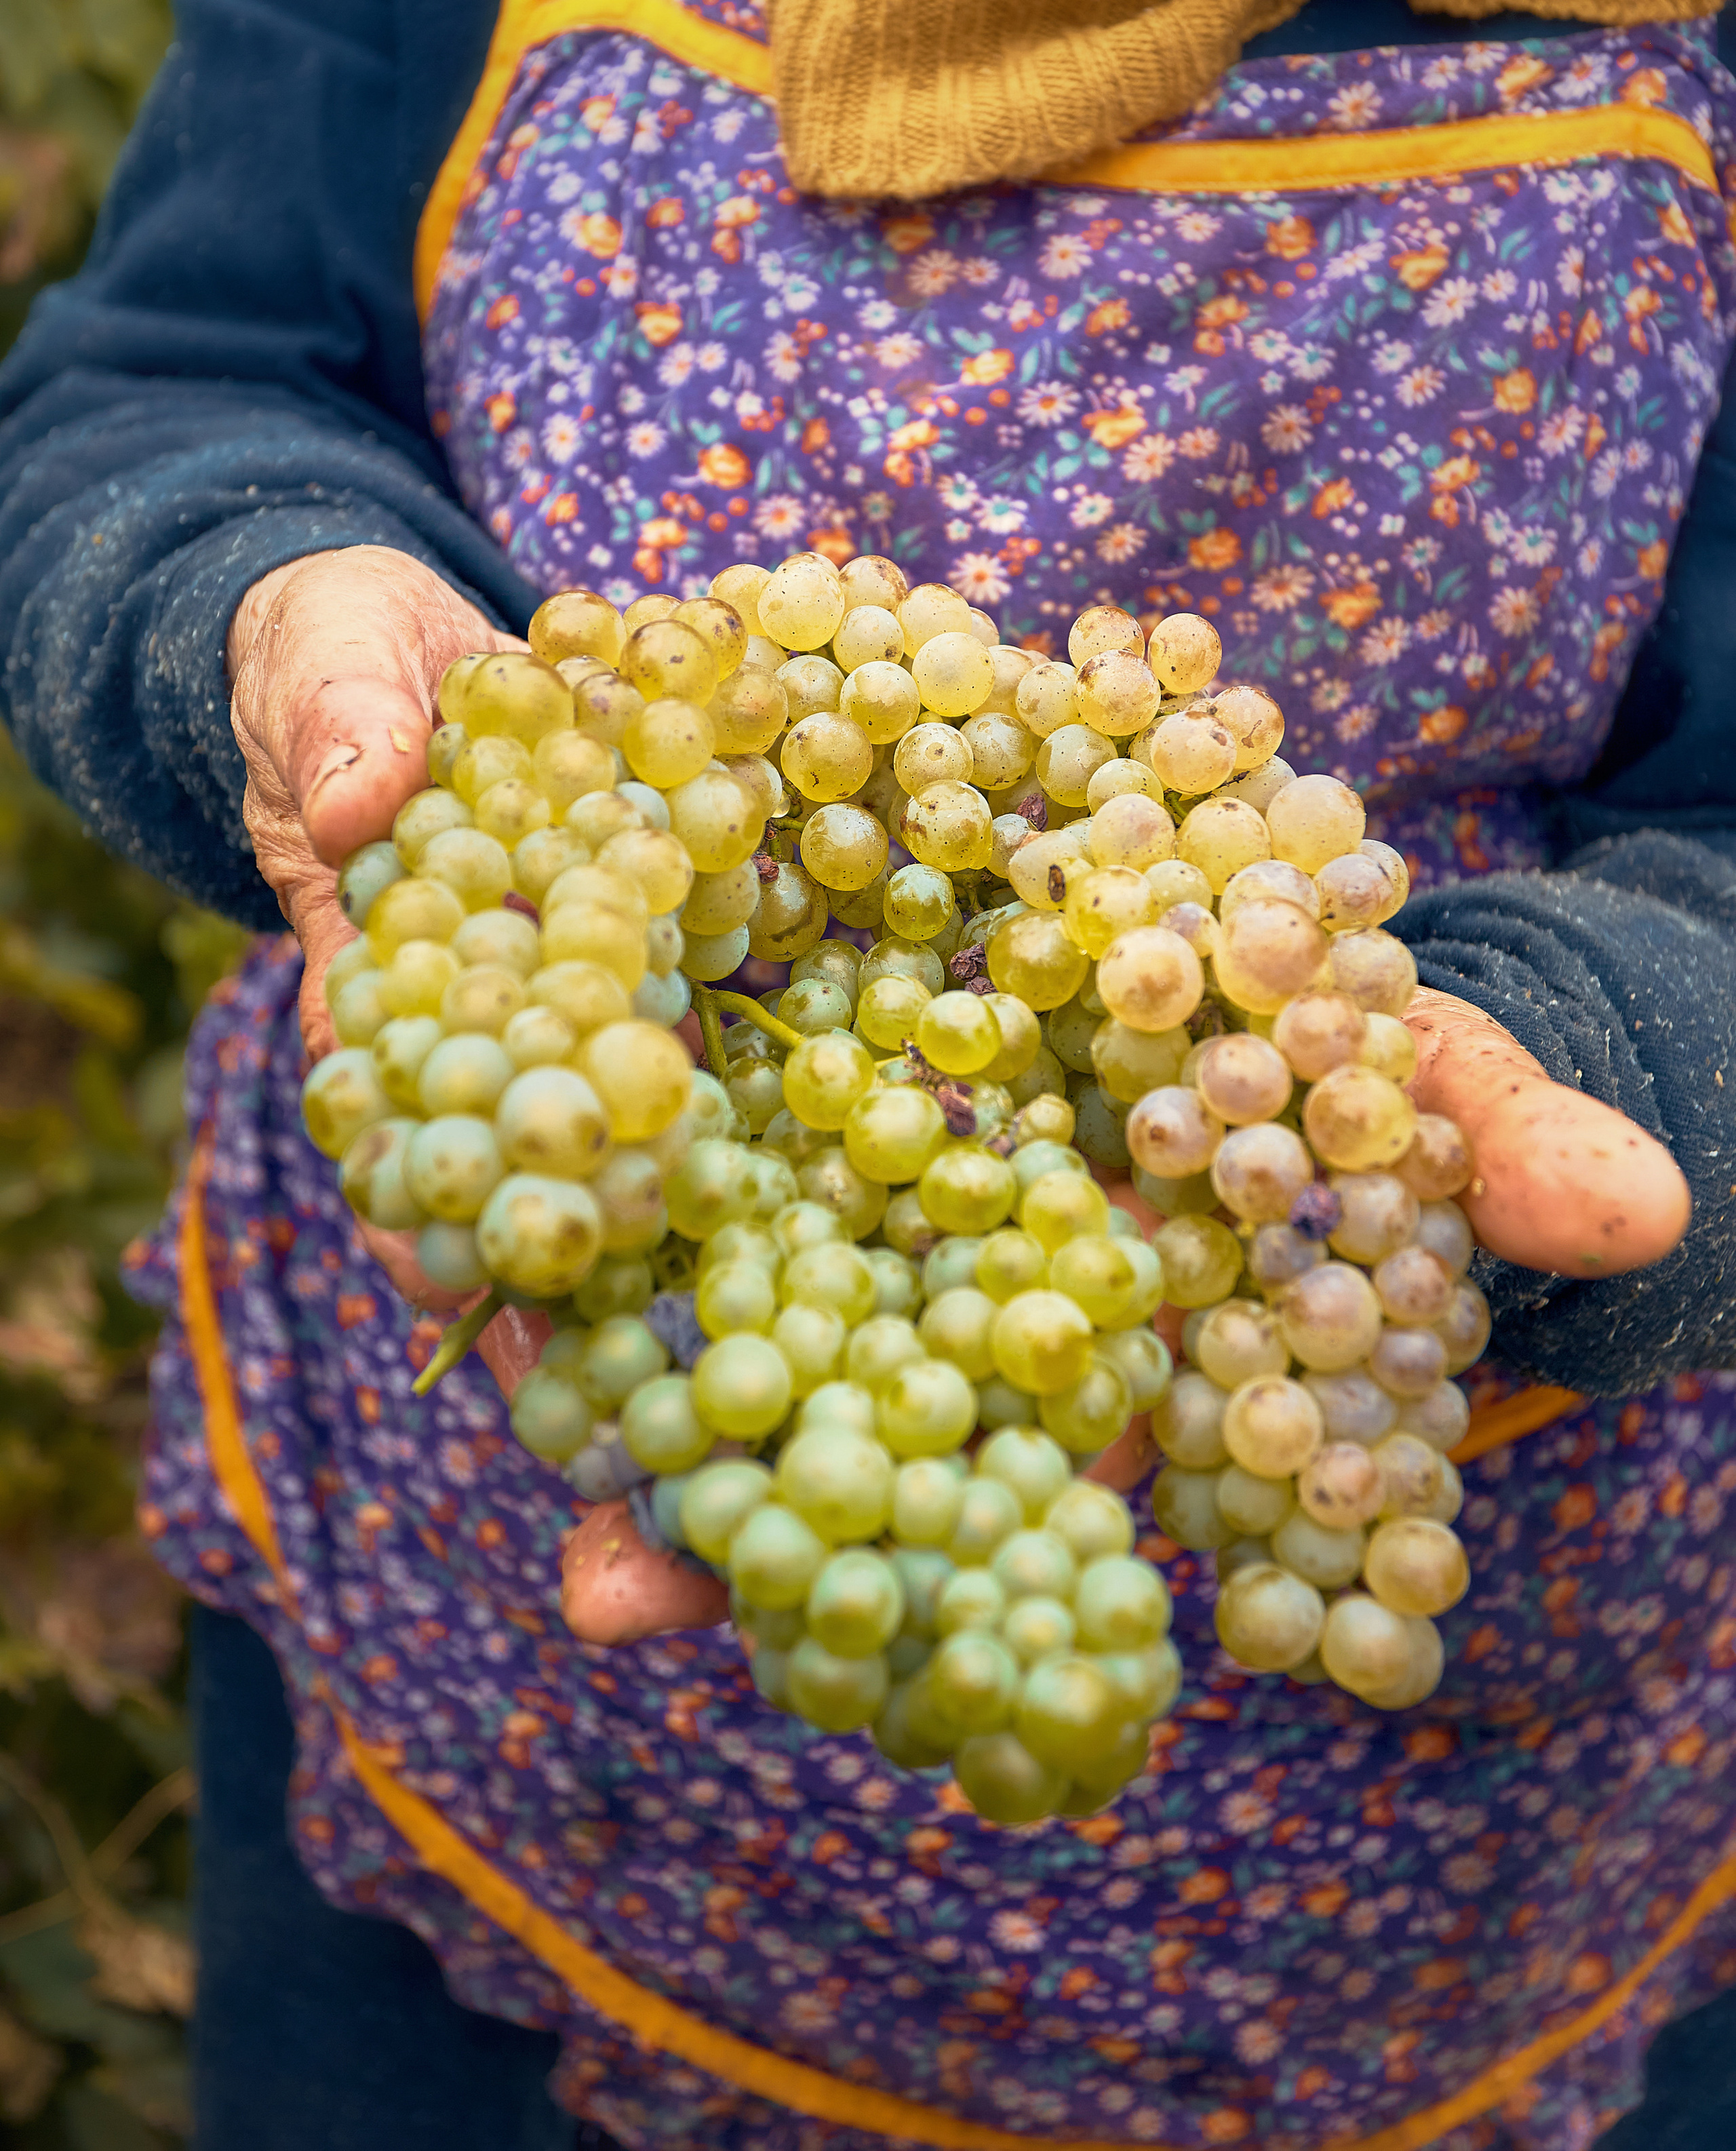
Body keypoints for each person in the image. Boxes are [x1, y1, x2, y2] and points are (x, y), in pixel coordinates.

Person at [3, 1, 1735, 2146]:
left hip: (1416, 1842)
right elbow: (183, 369)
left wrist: (1584, 1047)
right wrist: (266, 593)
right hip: (485, 1685)